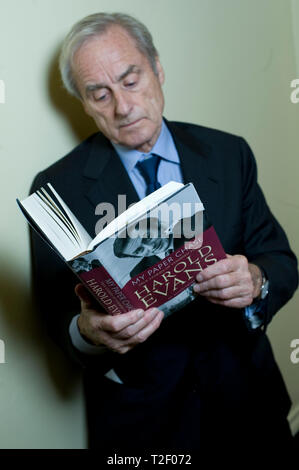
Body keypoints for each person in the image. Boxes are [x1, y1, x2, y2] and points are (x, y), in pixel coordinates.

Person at [29, 12, 298, 461]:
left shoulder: (229, 153)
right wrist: (88, 331)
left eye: (130, 81)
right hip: (145, 426)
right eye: (100, 94)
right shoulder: (56, 192)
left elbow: (280, 260)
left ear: (157, 68)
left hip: (251, 406)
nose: (122, 107)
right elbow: (55, 318)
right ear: (85, 104)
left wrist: (255, 279)